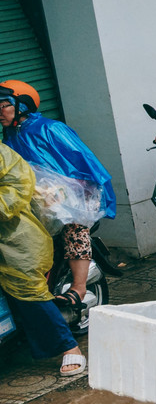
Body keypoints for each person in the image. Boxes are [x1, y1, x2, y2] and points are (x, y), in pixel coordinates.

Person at [0, 80, 116, 306]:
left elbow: (85, 166)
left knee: (74, 227)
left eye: (4, 105)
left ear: (22, 105)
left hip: (73, 201)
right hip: (36, 202)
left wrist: (66, 192)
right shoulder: (9, 138)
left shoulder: (50, 129)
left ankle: (79, 287)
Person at [0, 142, 85, 378]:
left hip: (12, 236)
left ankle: (69, 346)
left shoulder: (3, 154)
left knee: (27, 288)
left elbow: (16, 187)